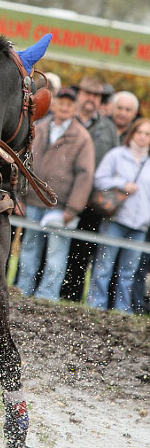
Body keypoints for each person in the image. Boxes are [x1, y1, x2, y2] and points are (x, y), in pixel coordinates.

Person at [14, 88, 95, 301]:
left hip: (60, 208)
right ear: (55, 104)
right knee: (29, 249)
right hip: (32, 200)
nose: (65, 107)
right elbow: (24, 163)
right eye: (61, 102)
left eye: (70, 104)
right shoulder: (38, 128)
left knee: (55, 255)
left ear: (75, 108)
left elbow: (85, 176)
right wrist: (19, 198)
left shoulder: (82, 137)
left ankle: (47, 296)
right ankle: (23, 290)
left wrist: (73, 209)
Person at [61, 76, 120, 302]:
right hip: (61, 197)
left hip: (92, 202)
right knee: (50, 246)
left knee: (82, 251)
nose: (91, 99)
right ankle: (41, 291)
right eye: (87, 93)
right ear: (79, 95)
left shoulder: (108, 128)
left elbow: (115, 162)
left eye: (96, 96)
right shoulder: (64, 119)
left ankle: (71, 298)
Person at [86, 118, 150, 313]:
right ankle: (96, 305)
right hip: (115, 219)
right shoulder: (116, 155)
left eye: (147, 134)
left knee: (128, 271)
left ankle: (122, 309)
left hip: (140, 223)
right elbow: (99, 179)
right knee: (104, 265)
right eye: (140, 132)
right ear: (133, 133)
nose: (142, 137)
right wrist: (121, 184)